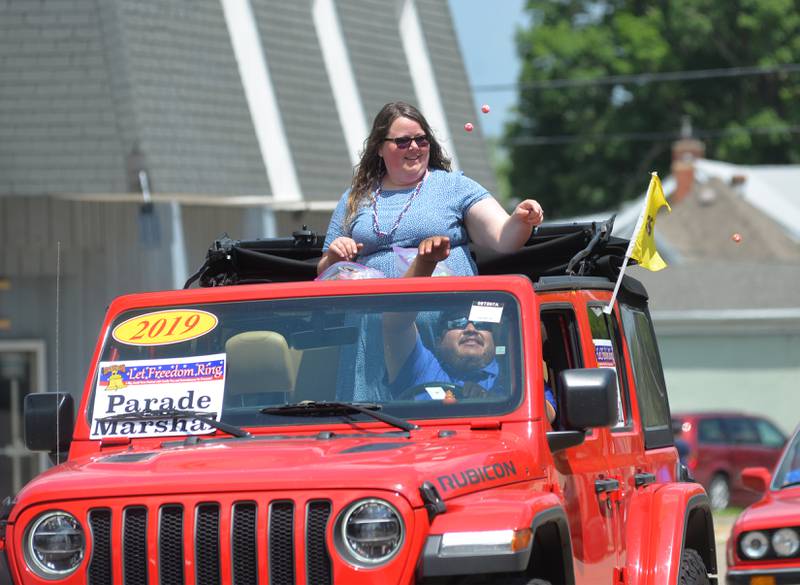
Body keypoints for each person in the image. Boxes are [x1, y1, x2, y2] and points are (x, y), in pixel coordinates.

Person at [318, 101, 543, 277]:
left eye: (421, 140)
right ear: (379, 148)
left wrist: (522, 218)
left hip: (451, 325)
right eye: (403, 142)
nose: (414, 147)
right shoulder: (355, 197)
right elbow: (324, 271)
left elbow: (504, 237)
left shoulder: (453, 185)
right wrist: (335, 257)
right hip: (376, 324)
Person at [383, 236, 556, 422]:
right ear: (439, 340)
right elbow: (396, 324)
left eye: (482, 322)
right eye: (457, 322)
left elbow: (548, 417)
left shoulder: (514, 371)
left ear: (495, 337)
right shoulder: (424, 367)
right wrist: (425, 263)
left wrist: (493, 401)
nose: (471, 328)